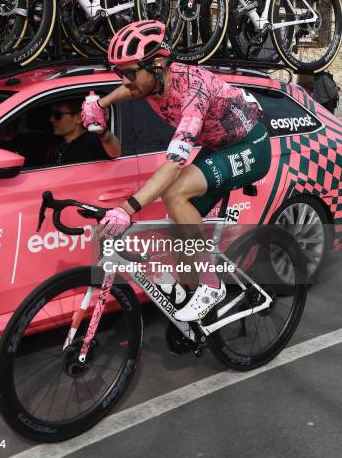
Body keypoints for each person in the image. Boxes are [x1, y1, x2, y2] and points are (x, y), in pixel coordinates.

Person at [82, 20, 272, 322]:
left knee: (175, 191)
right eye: (121, 72)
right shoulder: (151, 81)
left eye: (130, 72)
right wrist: (101, 103)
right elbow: (131, 90)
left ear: (158, 64)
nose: (125, 80)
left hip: (251, 145)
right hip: (218, 145)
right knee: (179, 233)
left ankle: (211, 285)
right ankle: (199, 313)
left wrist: (128, 208)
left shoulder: (192, 93)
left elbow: (173, 164)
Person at [46, 99, 121, 165]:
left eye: (57, 115)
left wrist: (103, 132)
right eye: (51, 114)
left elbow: (115, 153)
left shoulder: (92, 141)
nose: (51, 119)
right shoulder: (56, 144)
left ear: (79, 117)